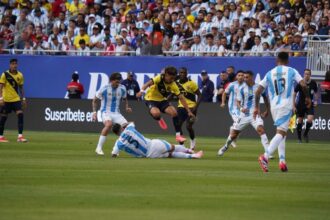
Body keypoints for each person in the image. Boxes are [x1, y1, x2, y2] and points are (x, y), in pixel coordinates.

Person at [254, 52, 311, 172]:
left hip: (274, 106)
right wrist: (307, 97)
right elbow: (304, 85)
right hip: (285, 105)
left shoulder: (270, 72)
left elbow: (258, 91)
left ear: (277, 60)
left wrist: (256, 107)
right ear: (287, 60)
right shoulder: (292, 70)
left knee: (282, 133)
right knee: (281, 133)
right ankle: (265, 156)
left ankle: (282, 161)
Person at [136, 66, 195, 143]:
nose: (172, 80)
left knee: (174, 112)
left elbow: (181, 98)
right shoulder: (159, 78)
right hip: (151, 99)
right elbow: (147, 84)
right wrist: (141, 91)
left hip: (162, 100)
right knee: (156, 113)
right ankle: (159, 118)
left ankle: (178, 136)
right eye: (170, 78)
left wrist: (188, 111)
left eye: (173, 78)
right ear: (166, 75)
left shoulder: (173, 84)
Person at [218, 71, 270, 157]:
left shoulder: (259, 87)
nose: (244, 79)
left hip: (255, 114)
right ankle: (225, 147)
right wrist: (241, 108)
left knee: (261, 130)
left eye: (246, 77)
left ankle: (268, 152)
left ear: (251, 77)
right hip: (244, 115)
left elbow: (265, 98)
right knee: (234, 134)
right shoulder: (241, 88)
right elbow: (238, 102)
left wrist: (267, 110)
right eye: (244, 77)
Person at [111, 122, 204, 159]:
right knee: (173, 147)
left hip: (149, 155)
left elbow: (114, 154)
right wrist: (124, 125)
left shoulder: (118, 143)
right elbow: (132, 123)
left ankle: (193, 156)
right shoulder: (128, 129)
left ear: (115, 133)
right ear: (121, 128)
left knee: (171, 155)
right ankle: (190, 150)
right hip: (153, 145)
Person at [92, 72, 132, 155]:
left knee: (127, 128)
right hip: (105, 112)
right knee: (109, 124)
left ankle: (116, 149)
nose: (118, 83)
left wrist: (127, 107)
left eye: (119, 82)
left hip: (116, 113)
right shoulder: (104, 88)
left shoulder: (122, 88)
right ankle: (98, 148)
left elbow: (125, 98)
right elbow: (95, 100)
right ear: (111, 81)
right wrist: (94, 112)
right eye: (116, 81)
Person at [0, 59, 27, 143]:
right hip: (6, 100)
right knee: (3, 117)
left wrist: (23, 99)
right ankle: (1, 137)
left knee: (20, 114)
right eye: (12, 64)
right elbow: (0, 87)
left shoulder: (20, 75)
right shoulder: (5, 74)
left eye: (15, 64)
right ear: (10, 65)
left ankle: (20, 136)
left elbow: (21, 88)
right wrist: (0, 98)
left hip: (16, 99)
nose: (14, 65)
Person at [176, 67, 202, 150]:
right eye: (180, 73)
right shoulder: (176, 83)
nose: (182, 74)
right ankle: (181, 145)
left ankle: (193, 140)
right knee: (178, 125)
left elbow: (200, 95)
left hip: (191, 107)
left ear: (187, 73)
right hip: (181, 107)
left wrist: (195, 107)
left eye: (184, 73)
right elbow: (173, 93)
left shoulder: (192, 83)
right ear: (179, 74)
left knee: (188, 127)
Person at [220, 70, 245, 148]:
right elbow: (224, 93)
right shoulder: (232, 85)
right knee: (238, 122)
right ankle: (231, 140)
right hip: (233, 107)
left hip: (241, 108)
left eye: (242, 75)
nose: (240, 77)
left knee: (239, 125)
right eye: (239, 75)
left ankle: (232, 138)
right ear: (236, 77)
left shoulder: (246, 85)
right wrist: (223, 102)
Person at [293, 69, 318, 143]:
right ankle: (299, 138)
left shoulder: (313, 83)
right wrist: (294, 105)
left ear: (310, 75)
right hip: (300, 104)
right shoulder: (301, 83)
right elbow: (294, 93)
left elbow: (316, 93)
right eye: (305, 74)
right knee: (300, 120)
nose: (306, 75)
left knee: (310, 119)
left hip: (309, 104)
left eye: (308, 74)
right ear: (303, 74)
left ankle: (305, 133)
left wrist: (316, 100)